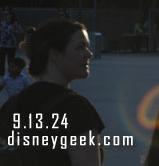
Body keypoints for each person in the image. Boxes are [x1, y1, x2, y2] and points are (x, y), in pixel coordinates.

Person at [0, 19, 104, 165]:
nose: (89, 54)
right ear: (54, 54)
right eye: (80, 47)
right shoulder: (75, 110)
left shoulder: (11, 106)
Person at [0, 8, 22, 77]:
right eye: (4, 14)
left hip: (11, 46)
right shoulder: (2, 23)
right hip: (2, 45)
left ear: (11, 15)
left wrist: (14, 31)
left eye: (6, 14)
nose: (5, 16)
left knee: (11, 62)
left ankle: (10, 76)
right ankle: (1, 76)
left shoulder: (15, 24)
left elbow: (21, 32)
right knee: (1, 62)